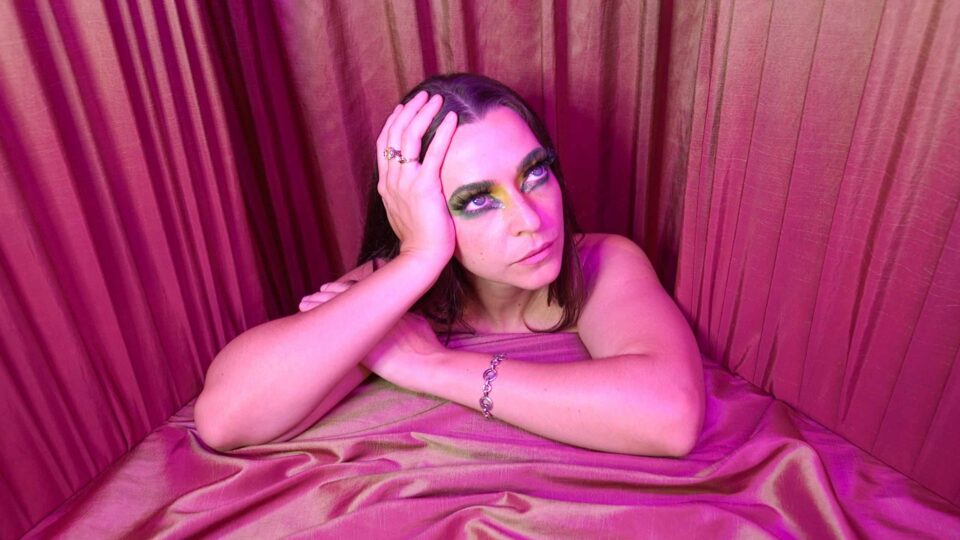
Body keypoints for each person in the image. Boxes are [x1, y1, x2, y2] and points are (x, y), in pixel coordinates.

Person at [195, 73, 705, 457]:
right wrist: (418, 259)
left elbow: (671, 417)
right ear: (424, 214)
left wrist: (431, 366)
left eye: (535, 173)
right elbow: (225, 418)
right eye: (478, 200)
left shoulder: (602, 262)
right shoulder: (400, 285)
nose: (530, 220)